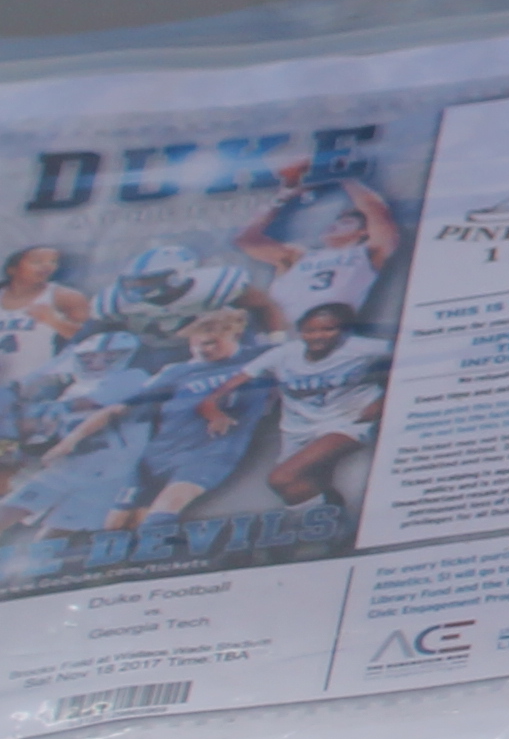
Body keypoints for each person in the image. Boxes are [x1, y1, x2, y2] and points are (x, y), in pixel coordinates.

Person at [100, 308, 277, 528]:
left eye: (212, 342)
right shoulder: (176, 372)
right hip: (161, 454)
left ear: (235, 335)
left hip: (211, 452)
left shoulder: (262, 358)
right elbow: (126, 407)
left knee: (160, 515)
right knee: (118, 525)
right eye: (198, 343)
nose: (205, 349)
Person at [0, 330, 156, 544]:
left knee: (53, 537)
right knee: (10, 510)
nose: (97, 363)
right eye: (89, 357)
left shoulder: (133, 376)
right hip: (69, 466)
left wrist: (30, 410)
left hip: (109, 470)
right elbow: (46, 427)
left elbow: (92, 405)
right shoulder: (75, 388)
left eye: (109, 357)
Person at [243, 302, 392, 516]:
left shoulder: (363, 348)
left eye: (328, 329)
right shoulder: (286, 354)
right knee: (306, 485)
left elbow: (419, 356)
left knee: (282, 478)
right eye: (310, 330)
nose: (318, 336)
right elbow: (236, 381)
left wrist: (384, 400)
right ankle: (335, 521)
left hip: (349, 420)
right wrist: (214, 407)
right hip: (301, 428)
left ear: (343, 330)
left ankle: (333, 522)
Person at [240, 172, 399, 331]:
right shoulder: (298, 255)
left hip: (328, 333)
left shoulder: (368, 252)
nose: (334, 225)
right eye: (336, 221)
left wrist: (344, 176)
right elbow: (246, 240)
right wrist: (282, 197)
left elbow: (377, 212)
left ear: (363, 232)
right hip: (284, 332)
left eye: (345, 222)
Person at [104, 239, 276, 356]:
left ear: (177, 276)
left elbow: (262, 305)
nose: (140, 289)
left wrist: (275, 337)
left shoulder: (215, 286)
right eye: (135, 283)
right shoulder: (119, 303)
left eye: (148, 282)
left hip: (230, 353)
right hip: (165, 357)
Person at [0, 245, 92, 386]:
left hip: (39, 385)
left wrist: (54, 321)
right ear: (12, 269)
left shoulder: (65, 297)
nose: (46, 266)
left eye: (52, 262)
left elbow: (91, 340)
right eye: (37, 261)